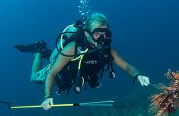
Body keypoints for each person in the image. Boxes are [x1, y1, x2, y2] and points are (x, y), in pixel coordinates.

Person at [15, 12, 150, 110]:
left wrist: (138, 75)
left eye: (105, 34)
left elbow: (126, 66)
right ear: (87, 34)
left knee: (62, 62)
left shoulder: (109, 50)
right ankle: (39, 50)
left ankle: (45, 51)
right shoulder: (72, 48)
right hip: (63, 72)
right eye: (97, 34)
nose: (102, 39)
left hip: (73, 70)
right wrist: (47, 96)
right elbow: (52, 73)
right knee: (34, 78)